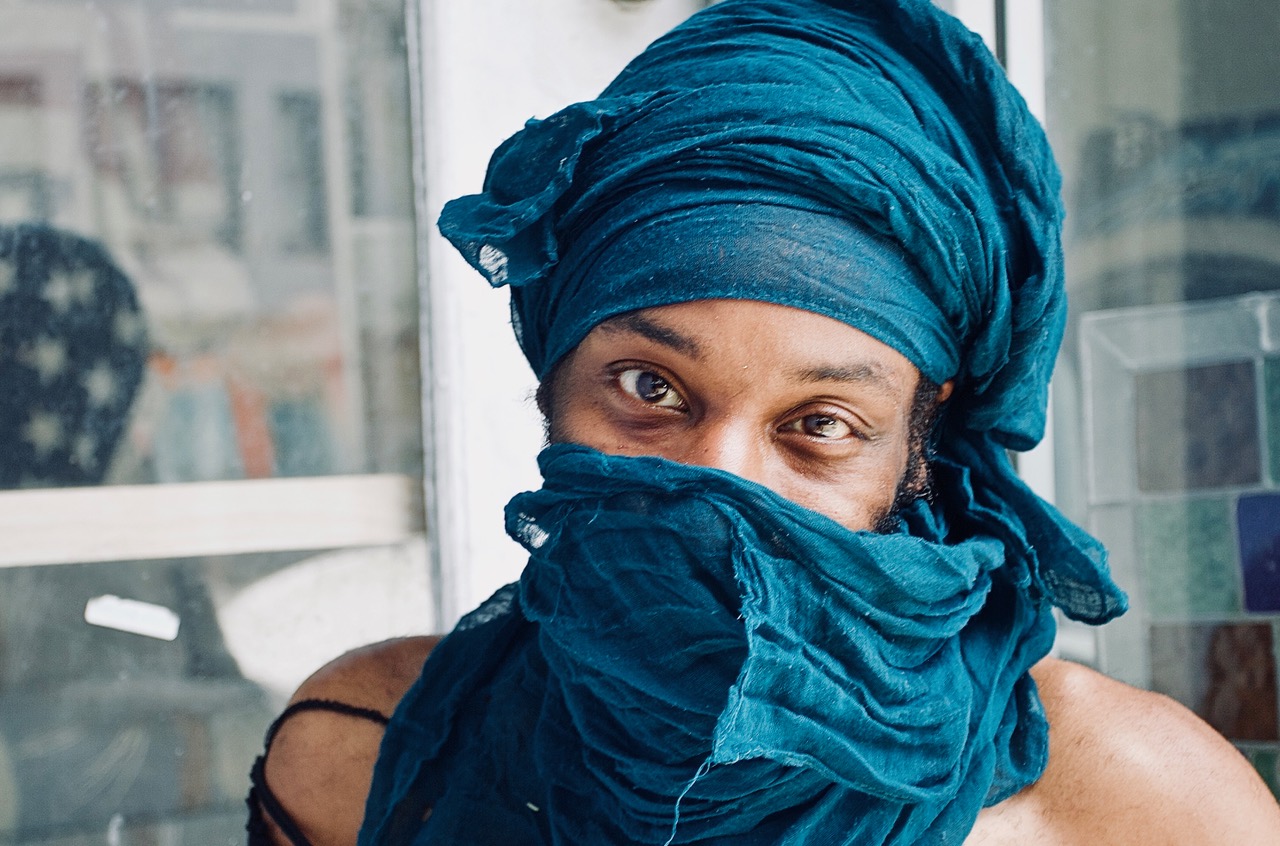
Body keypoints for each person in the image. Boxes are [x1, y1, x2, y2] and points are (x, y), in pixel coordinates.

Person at [248, 0, 1280, 843]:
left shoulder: (1136, 809)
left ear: (917, 452)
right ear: (551, 380)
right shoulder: (371, 756)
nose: (720, 482)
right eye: (650, 389)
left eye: (820, 423)